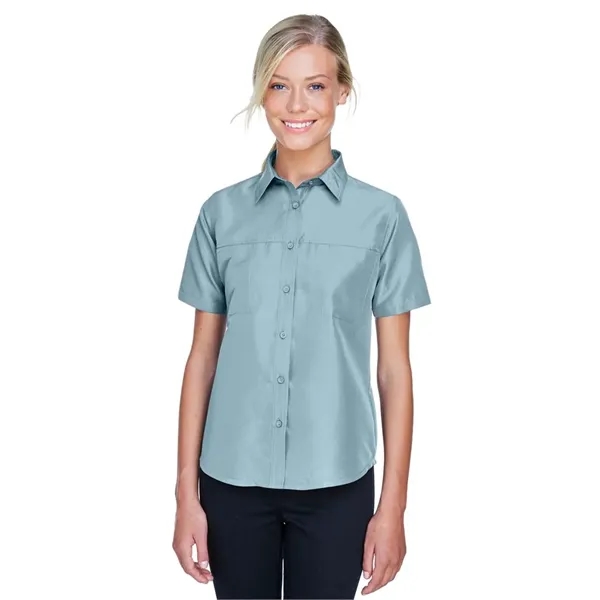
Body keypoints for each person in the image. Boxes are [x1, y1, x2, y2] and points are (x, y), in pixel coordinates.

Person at [172, 13, 431, 600]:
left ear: (342, 91)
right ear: (261, 92)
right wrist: (186, 494)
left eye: (315, 85)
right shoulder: (220, 215)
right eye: (278, 85)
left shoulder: (383, 217)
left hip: (338, 482)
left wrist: (393, 508)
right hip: (231, 480)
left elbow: (394, 371)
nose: (296, 104)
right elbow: (201, 360)